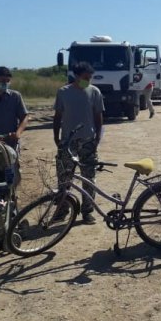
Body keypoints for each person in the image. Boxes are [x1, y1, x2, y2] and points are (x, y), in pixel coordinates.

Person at [53, 62, 104, 224]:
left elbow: (98, 116)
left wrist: (97, 138)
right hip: (68, 142)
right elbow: (58, 116)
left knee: (89, 178)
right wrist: (56, 137)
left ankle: (87, 211)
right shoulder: (63, 92)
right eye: (85, 78)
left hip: (88, 141)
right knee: (64, 178)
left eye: (90, 78)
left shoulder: (94, 92)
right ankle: (62, 210)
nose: (87, 81)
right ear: (76, 76)